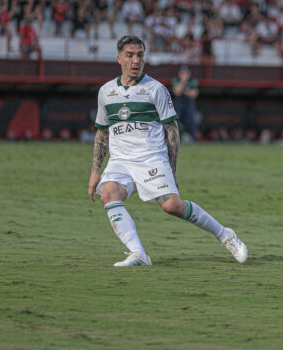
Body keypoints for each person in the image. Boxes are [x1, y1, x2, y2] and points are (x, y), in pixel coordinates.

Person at [87, 35, 247, 267]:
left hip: (151, 157)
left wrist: (172, 170)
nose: (136, 60)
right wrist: (95, 170)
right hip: (120, 160)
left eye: (140, 55)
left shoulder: (155, 89)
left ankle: (225, 235)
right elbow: (102, 132)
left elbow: (172, 131)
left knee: (172, 206)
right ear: (119, 58)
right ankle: (138, 253)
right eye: (130, 55)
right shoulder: (106, 91)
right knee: (109, 194)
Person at [171, 65, 199, 141]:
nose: (184, 75)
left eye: (186, 73)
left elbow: (194, 94)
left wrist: (183, 91)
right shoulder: (176, 80)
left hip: (189, 105)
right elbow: (177, 92)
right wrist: (183, 82)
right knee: (177, 122)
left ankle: (193, 139)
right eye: (183, 73)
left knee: (191, 121)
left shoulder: (193, 81)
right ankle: (177, 139)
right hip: (178, 105)